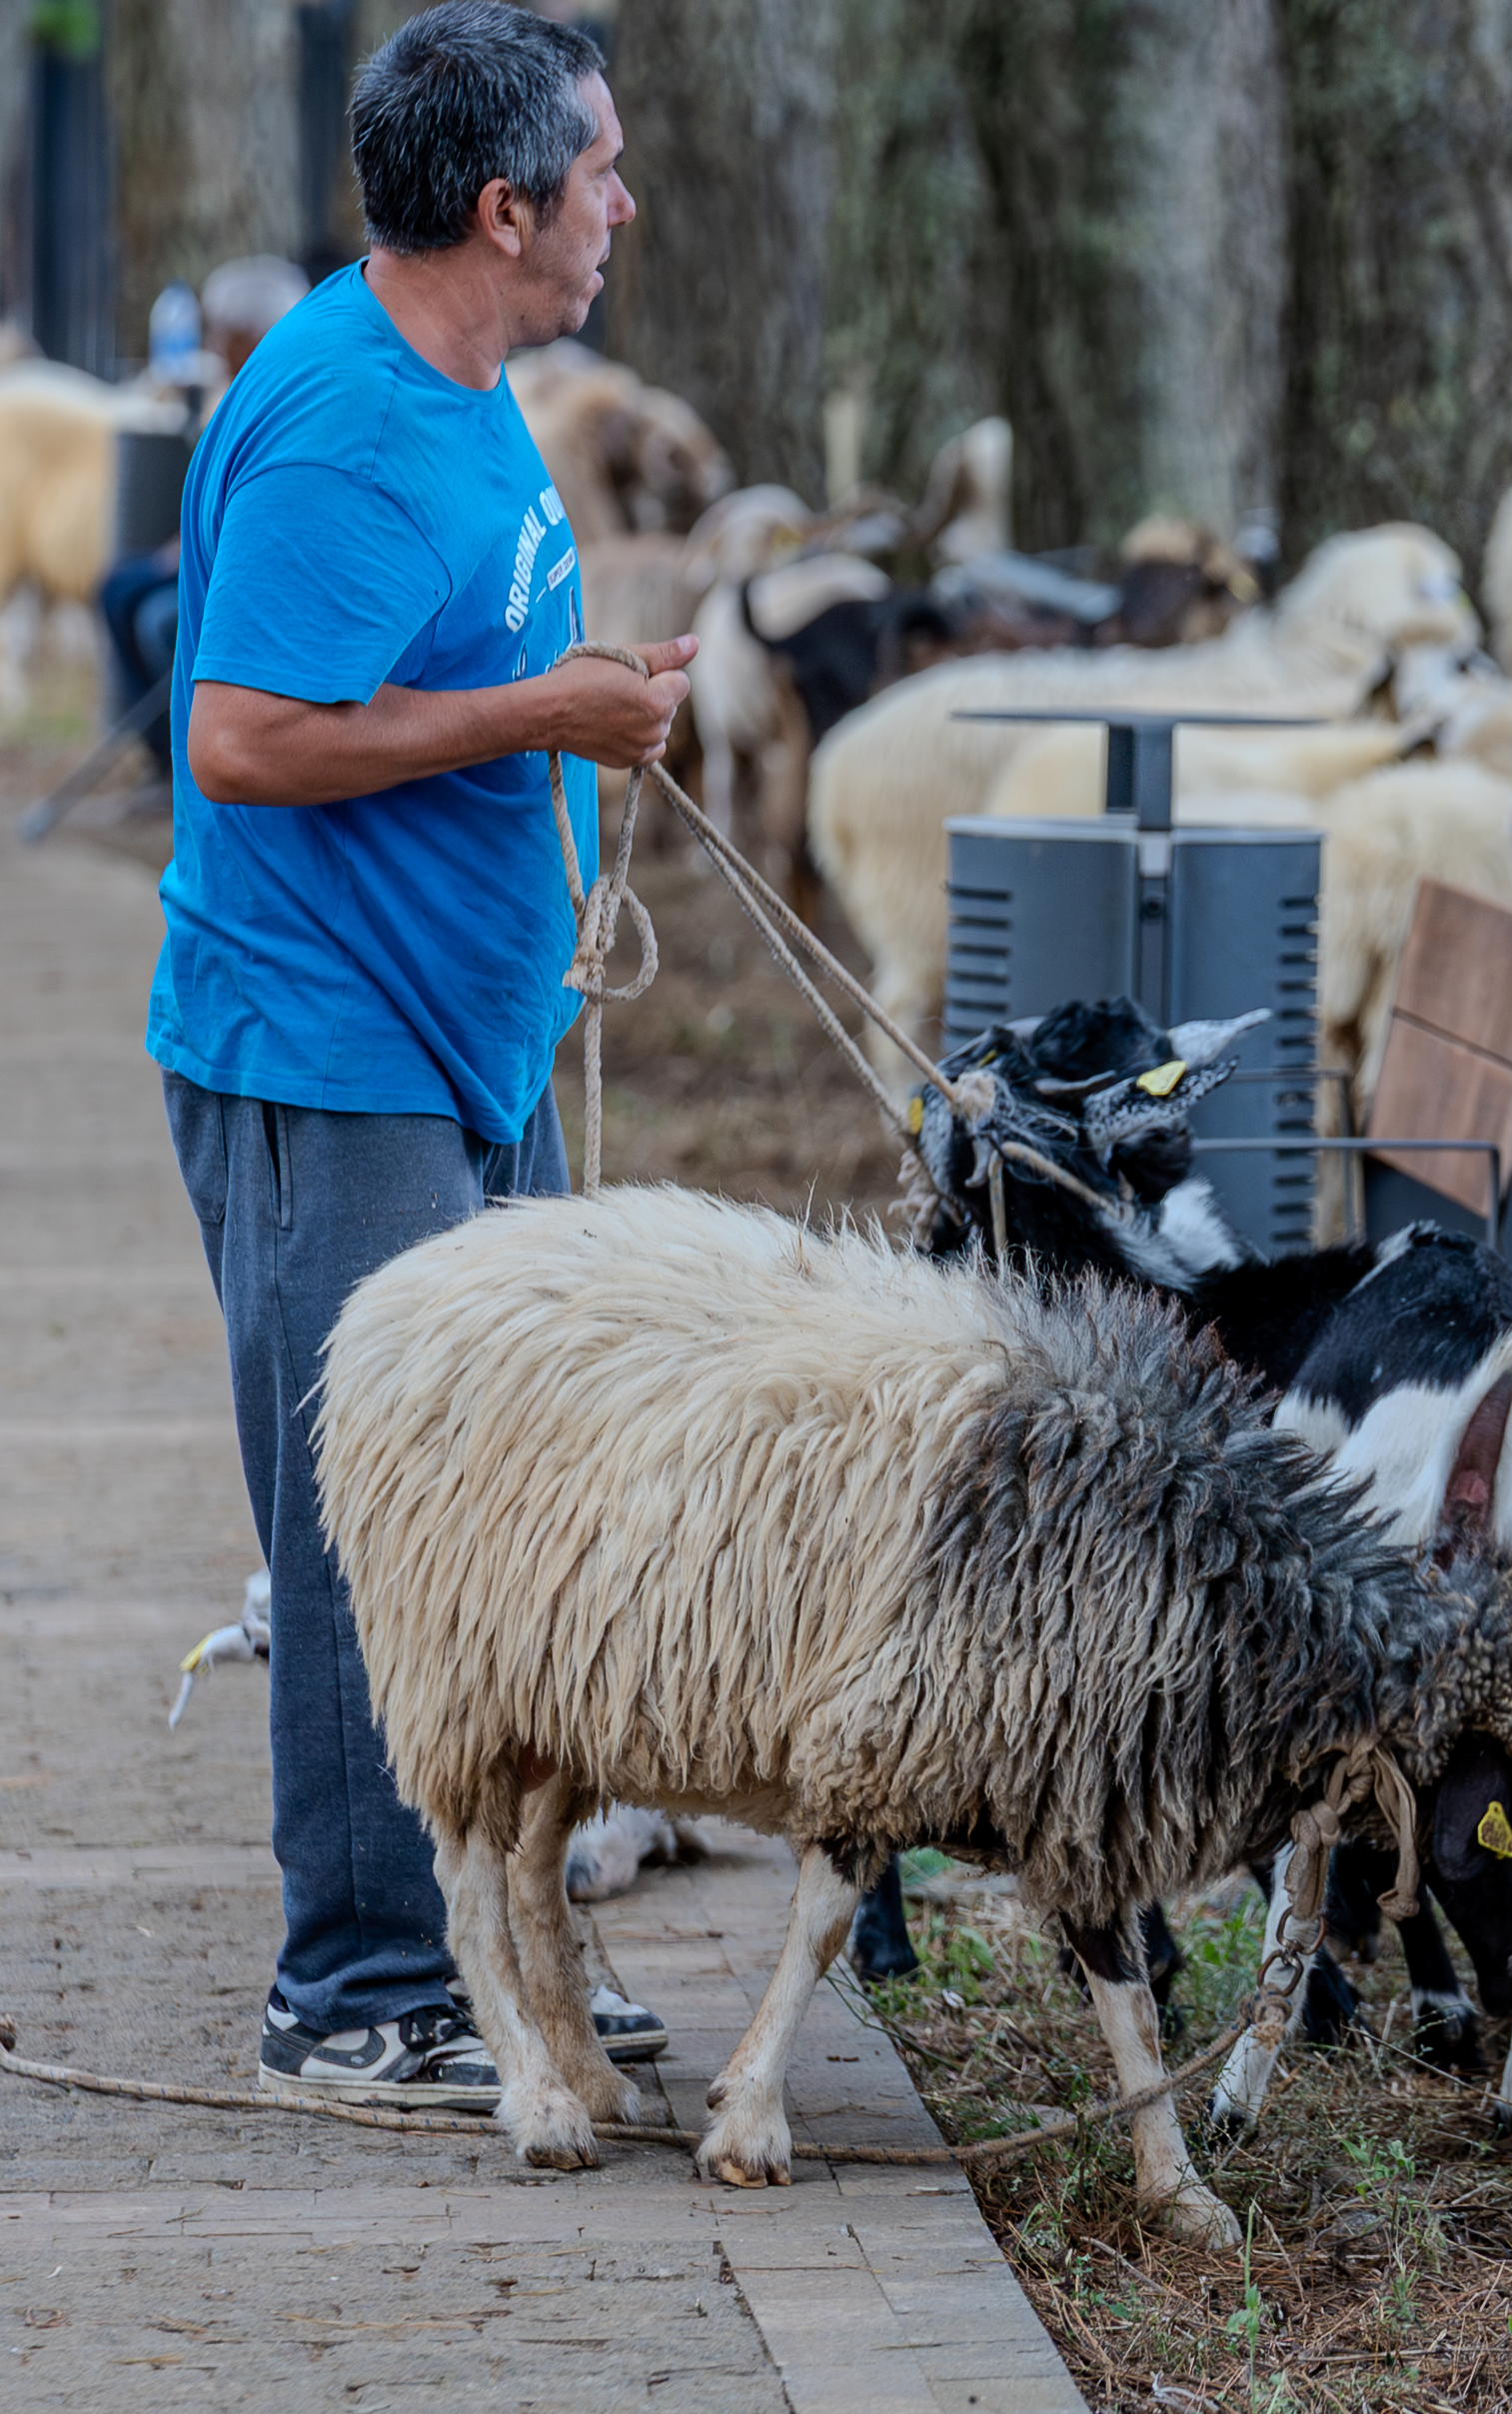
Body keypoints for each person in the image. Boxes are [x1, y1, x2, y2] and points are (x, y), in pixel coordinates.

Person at [147, 1, 695, 2106]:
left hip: (463, 1050)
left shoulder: (465, 373)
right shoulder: (354, 426)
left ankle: (506, 1944)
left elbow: (437, 654)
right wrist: (548, 716)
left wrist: (565, 691)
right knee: (376, 1523)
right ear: (504, 208)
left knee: (516, 1511)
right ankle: (363, 1990)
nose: (624, 204)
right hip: (323, 1057)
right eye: (604, 174)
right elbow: (241, 737)